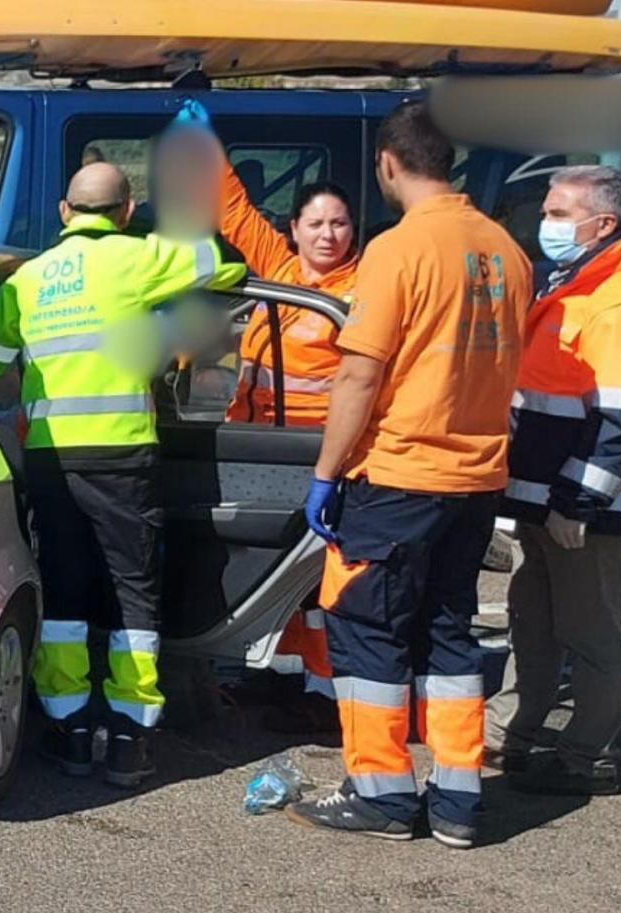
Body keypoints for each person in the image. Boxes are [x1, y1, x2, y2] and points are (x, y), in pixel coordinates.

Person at [283, 104, 531, 850]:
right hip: (477, 476)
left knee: (367, 634)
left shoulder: (399, 251)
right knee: (450, 632)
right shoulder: (506, 252)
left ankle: (383, 794)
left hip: (398, 474)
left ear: (389, 164)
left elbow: (360, 374)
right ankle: (458, 798)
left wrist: (327, 472)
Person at [0, 161, 245, 787]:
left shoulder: (27, 280)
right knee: (133, 591)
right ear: (125, 211)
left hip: (49, 456)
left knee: (66, 590)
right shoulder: (140, 257)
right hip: (123, 454)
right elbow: (227, 261)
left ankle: (69, 729)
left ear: (64, 213)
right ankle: (129, 738)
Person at [483, 164, 621, 798]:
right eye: (547, 211)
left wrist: (579, 500)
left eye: (560, 214)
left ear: (603, 224)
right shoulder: (577, 288)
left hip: (585, 510)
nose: (546, 225)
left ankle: (586, 754)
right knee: (533, 622)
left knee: (589, 629)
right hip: (548, 503)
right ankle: (521, 733)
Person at [190, 102, 362, 732]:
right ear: (293, 229)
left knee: (318, 583)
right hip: (260, 440)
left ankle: (323, 693)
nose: (327, 234)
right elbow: (231, 208)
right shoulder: (282, 271)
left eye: (339, 224)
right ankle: (278, 680)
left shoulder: (361, 289)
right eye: (316, 223)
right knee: (271, 574)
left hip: (320, 449)